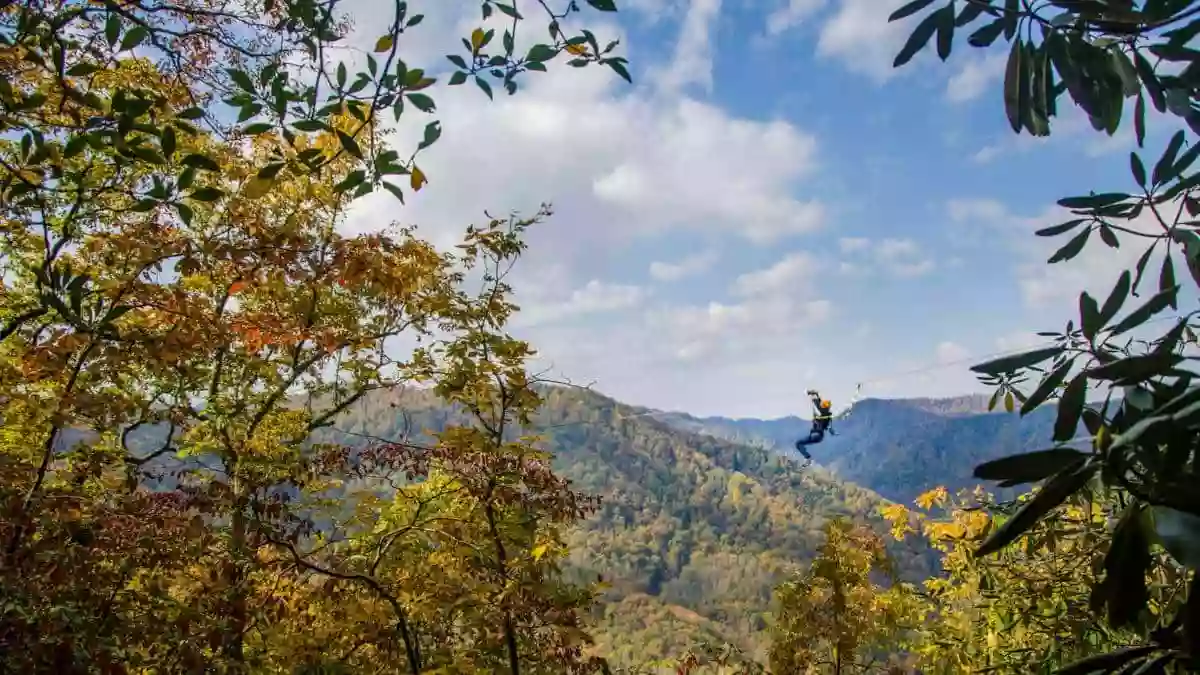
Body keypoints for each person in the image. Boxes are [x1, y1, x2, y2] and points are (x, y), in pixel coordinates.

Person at [795, 389, 836, 467]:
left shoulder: (822, 413)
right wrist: (815, 395)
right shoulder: (827, 416)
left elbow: (818, 404)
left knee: (798, 443)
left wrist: (813, 394)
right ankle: (808, 458)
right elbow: (819, 404)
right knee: (799, 443)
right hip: (819, 437)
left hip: (816, 434)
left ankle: (808, 458)